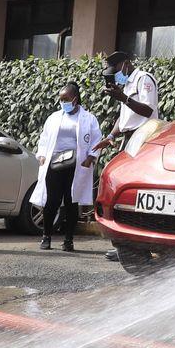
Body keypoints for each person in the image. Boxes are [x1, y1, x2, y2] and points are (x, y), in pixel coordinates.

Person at [101, 51, 159, 262]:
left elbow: (147, 110)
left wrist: (123, 98)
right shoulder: (125, 85)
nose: (114, 76)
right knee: (124, 193)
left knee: (137, 192)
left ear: (125, 65)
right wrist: (110, 135)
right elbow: (124, 117)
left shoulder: (144, 79)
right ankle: (125, 245)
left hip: (142, 139)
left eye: (115, 71)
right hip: (128, 140)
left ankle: (139, 245)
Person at [32, 82, 102, 251]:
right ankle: (46, 237)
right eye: (61, 99)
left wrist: (91, 157)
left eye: (66, 99)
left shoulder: (88, 118)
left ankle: (68, 240)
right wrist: (41, 155)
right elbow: (44, 138)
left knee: (72, 203)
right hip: (54, 164)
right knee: (51, 202)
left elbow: (96, 139)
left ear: (75, 99)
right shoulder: (54, 117)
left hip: (76, 166)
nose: (62, 102)